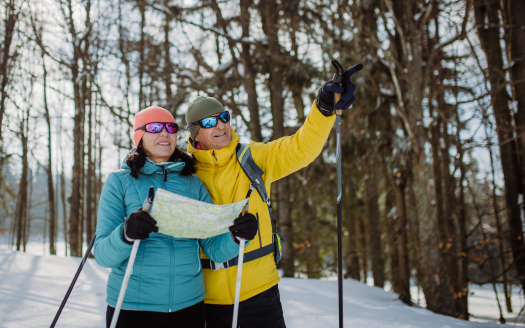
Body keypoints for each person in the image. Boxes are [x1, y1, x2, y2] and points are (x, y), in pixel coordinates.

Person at [185, 67, 360, 328]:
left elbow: (300, 149)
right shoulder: (186, 174)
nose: (221, 125)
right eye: (210, 122)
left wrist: (323, 108)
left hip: (260, 294)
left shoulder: (253, 157)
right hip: (207, 301)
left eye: (224, 117)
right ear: (194, 133)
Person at [93, 106, 259, 328]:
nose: (164, 133)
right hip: (132, 306)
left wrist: (237, 237)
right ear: (139, 137)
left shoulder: (193, 183)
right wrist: (125, 234)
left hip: (189, 307)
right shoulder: (120, 182)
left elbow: (212, 247)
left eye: (170, 127)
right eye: (154, 128)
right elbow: (103, 254)